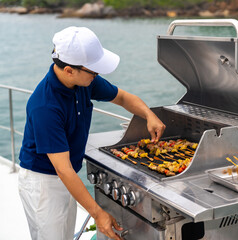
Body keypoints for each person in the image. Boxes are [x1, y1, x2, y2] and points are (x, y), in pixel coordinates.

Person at [18, 26, 166, 240]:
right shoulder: (45, 107)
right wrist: (98, 213)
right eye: (94, 71)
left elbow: (123, 98)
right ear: (69, 70)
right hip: (44, 184)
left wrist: (148, 115)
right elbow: (63, 169)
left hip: (65, 175)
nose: (97, 75)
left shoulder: (84, 81)